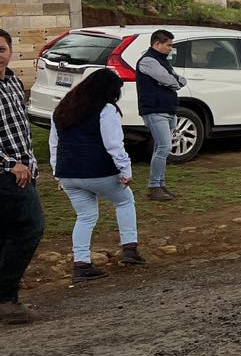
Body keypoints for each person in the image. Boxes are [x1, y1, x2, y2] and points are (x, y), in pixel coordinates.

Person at [49, 68, 144, 280]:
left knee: (85, 216)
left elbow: (54, 144)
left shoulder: (61, 109)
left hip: (68, 173)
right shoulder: (106, 109)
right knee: (125, 201)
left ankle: (81, 264)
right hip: (98, 171)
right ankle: (129, 249)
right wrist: (126, 170)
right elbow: (114, 145)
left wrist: (58, 174)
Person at [0, 29, 43, 324]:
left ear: (10, 51)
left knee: (6, 234)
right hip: (6, 172)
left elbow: (21, 129)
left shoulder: (13, 80)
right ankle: (6, 299)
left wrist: (30, 162)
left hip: (23, 171)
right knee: (30, 227)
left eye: (1, 48)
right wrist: (9, 163)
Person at [136, 28, 186, 201]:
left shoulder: (161, 60)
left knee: (161, 148)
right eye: (168, 45)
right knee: (164, 147)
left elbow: (175, 78)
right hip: (154, 109)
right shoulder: (149, 61)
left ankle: (160, 184)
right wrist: (175, 82)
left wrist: (175, 81)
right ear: (157, 43)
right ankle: (154, 186)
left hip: (166, 109)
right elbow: (168, 79)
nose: (170, 48)